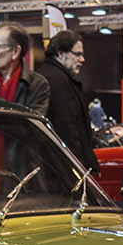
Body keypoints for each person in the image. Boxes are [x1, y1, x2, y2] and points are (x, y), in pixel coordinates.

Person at [37, 30, 99, 174]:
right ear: (60, 53)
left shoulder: (45, 76)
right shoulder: (59, 81)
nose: (82, 59)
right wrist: (76, 169)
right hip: (63, 169)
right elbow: (67, 129)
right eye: (77, 54)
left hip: (51, 166)